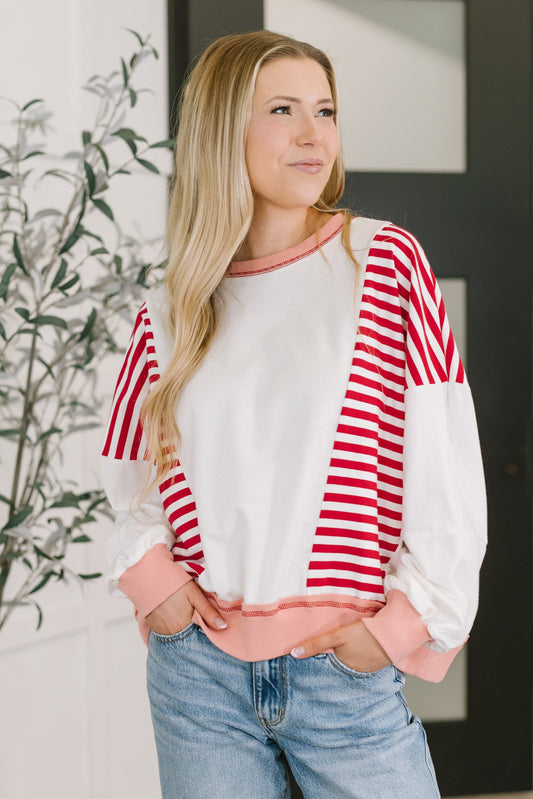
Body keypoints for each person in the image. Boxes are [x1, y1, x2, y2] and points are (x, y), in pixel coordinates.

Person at [101, 29, 486, 799]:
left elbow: (444, 460)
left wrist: (400, 629)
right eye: (283, 109)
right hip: (198, 679)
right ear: (224, 130)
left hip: (341, 673)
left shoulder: (381, 262)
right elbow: (128, 471)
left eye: (326, 110)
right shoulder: (170, 304)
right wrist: (157, 584)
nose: (315, 134)